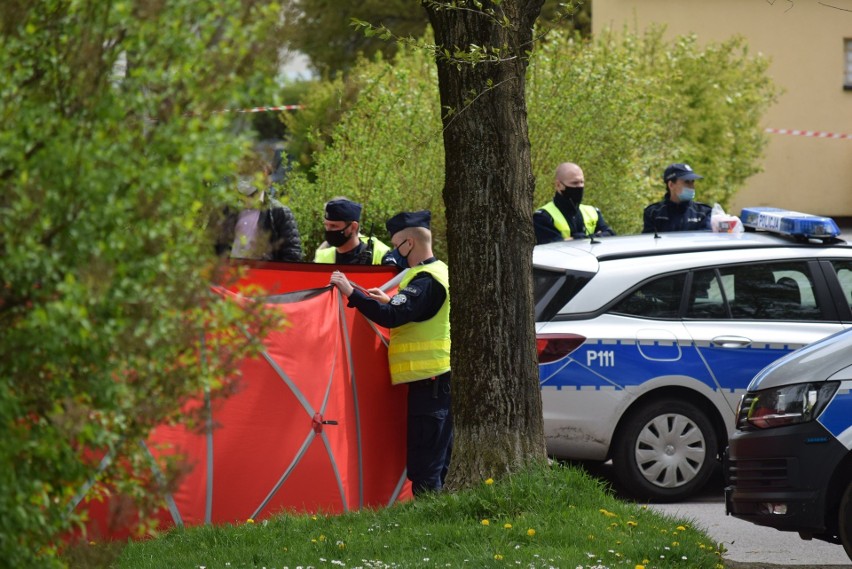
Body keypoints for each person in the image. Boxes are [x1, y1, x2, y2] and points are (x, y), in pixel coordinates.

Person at [329, 210, 452, 496]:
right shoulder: (440, 271)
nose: (394, 252)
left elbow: (392, 316)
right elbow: (411, 311)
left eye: (397, 245)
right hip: (437, 381)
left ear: (409, 243)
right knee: (438, 460)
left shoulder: (425, 280)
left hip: (429, 384)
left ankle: (432, 524)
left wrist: (351, 292)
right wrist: (390, 299)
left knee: (425, 467)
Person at [214, 161, 302, 262]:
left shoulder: (278, 212)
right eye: (241, 174)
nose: (244, 180)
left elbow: (292, 255)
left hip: (263, 275)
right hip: (232, 275)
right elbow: (214, 248)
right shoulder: (227, 211)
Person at [534, 162, 615, 244]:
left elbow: (610, 236)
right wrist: (594, 237)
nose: (580, 187)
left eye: (582, 182)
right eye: (574, 183)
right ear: (558, 185)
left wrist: (576, 238)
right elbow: (555, 247)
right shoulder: (542, 217)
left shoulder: (593, 212)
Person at [314, 198, 391, 265]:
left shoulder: (380, 255)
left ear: (353, 227)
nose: (328, 230)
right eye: (326, 225)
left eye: (334, 226)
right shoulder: (322, 257)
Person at [642, 163, 713, 233]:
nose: (692, 186)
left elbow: (704, 241)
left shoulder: (704, 213)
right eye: (687, 182)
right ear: (671, 185)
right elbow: (649, 242)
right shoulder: (653, 213)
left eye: (692, 182)